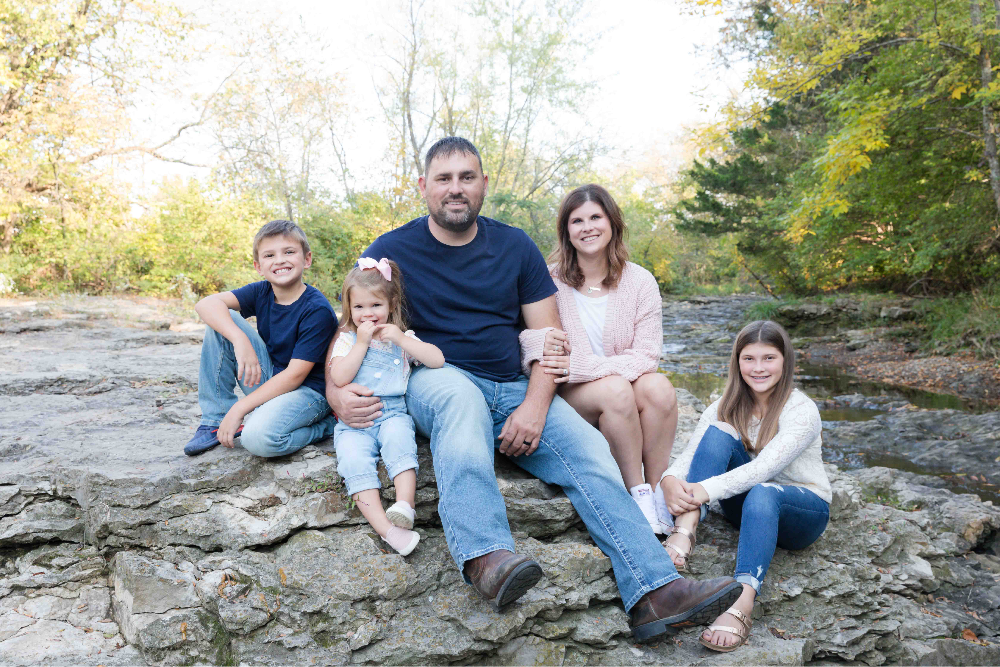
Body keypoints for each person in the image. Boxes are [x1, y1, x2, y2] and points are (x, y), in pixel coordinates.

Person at [325, 136, 742, 642]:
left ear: (483, 184)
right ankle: (486, 556)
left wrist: (535, 407)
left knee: (589, 450)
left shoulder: (514, 245)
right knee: (460, 403)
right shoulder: (390, 250)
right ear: (423, 187)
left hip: (513, 385)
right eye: (444, 178)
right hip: (438, 377)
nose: (455, 189)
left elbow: (549, 341)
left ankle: (655, 590)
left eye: (467, 177)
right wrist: (335, 392)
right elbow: (350, 325)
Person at [659, 320, 831, 652]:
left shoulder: (801, 410)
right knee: (720, 431)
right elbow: (690, 455)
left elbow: (765, 469)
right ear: (737, 361)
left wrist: (703, 490)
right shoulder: (724, 405)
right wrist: (668, 480)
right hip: (748, 507)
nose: (758, 368)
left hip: (802, 513)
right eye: (749, 358)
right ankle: (685, 529)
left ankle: (742, 603)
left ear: (785, 361)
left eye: (769, 358)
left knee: (764, 489)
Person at [519, 184, 678, 536]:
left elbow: (648, 354)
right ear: (566, 231)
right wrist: (555, 358)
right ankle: (635, 494)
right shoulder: (548, 279)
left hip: (608, 381)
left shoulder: (640, 281)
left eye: (595, 217)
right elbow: (527, 337)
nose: (587, 227)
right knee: (617, 390)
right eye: (577, 220)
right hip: (571, 395)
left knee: (660, 387)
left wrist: (588, 367)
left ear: (612, 223)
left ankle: (658, 491)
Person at [184, 220, 338, 457]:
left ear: (306, 259)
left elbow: (295, 375)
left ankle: (326, 427)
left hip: (309, 392)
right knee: (223, 319)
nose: (279, 260)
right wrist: (239, 339)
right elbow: (205, 304)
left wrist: (240, 408)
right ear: (258, 266)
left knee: (257, 439)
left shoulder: (317, 310)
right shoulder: (262, 291)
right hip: (272, 377)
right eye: (269, 255)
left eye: (289, 252)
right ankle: (215, 420)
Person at [327, 257, 445, 556]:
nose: (368, 314)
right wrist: (362, 344)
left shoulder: (401, 338)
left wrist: (403, 340)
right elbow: (339, 377)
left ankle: (405, 504)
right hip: (354, 423)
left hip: (392, 412)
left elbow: (436, 360)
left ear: (391, 304)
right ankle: (387, 530)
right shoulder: (347, 339)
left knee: (399, 442)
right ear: (349, 310)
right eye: (359, 308)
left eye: (375, 306)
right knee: (353, 461)